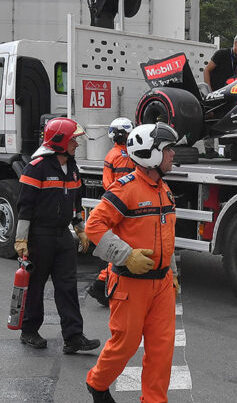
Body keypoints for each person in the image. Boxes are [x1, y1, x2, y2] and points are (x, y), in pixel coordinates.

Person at [84, 123, 180, 403]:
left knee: (162, 351)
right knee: (124, 346)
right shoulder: (126, 189)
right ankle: (97, 383)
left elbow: (167, 234)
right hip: (130, 283)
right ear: (150, 154)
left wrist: (171, 272)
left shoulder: (164, 189)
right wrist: (125, 255)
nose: (173, 154)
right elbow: (94, 226)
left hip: (161, 284)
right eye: (167, 149)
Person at [15, 117, 100, 353]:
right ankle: (29, 331)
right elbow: (25, 206)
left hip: (63, 236)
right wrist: (21, 239)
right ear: (61, 141)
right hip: (39, 236)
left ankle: (73, 337)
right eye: (74, 139)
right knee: (36, 285)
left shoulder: (72, 168)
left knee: (67, 286)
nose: (77, 144)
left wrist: (80, 229)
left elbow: (75, 203)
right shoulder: (37, 167)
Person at [88, 117, 136, 307]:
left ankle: (102, 286)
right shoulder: (119, 155)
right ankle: (101, 287)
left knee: (118, 246)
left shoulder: (119, 153)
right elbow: (116, 183)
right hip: (120, 205)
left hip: (117, 203)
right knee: (119, 247)